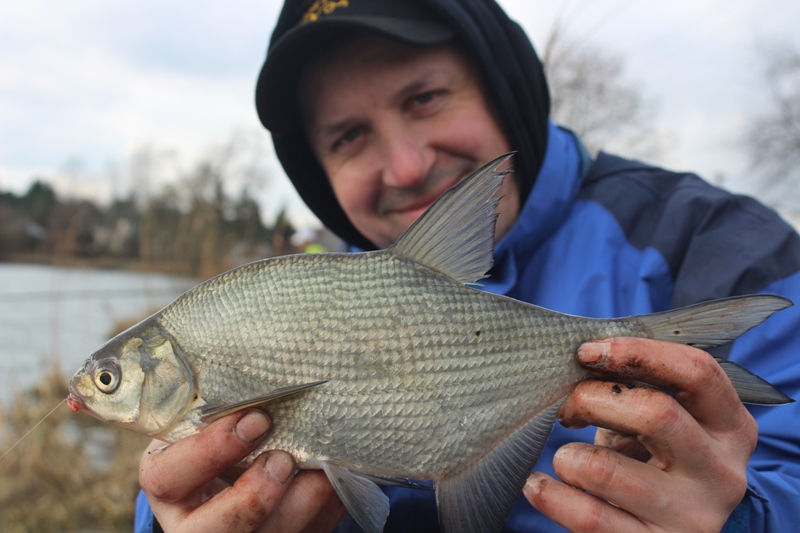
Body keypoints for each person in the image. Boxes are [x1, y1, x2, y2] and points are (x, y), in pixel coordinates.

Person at [134, 0, 800, 531]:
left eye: (424, 97)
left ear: (502, 88)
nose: (406, 166)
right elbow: (176, 491)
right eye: (349, 135)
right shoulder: (302, 298)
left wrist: (746, 521)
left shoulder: (724, 247)